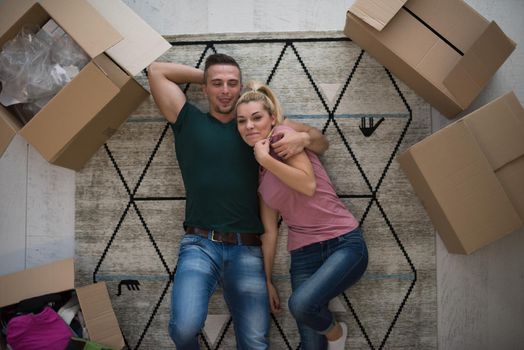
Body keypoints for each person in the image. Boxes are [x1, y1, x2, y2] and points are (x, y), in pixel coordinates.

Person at [147, 54, 328, 349]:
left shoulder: (255, 129)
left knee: (256, 343)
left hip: (247, 249)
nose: (225, 90)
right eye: (216, 84)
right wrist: (205, 77)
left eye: (233, 84)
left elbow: (321, 141)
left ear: (241, 87)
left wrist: (304, 140)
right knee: (184, 328)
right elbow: (156, 71)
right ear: (204, 88)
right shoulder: (188, 119)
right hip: (199, 245)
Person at [236, 81, 369, 350]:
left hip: (343, 242)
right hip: (303, 254)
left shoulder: (283, 138)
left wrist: (266, 159)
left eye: (256, 117)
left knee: (301, 304)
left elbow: (307, 185)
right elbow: (270, 231)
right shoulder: (261, 177)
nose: (249, 126)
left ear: (272, 118)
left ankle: (335, 333)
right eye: (241, 121)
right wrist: (266, 280)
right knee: (309, 343)